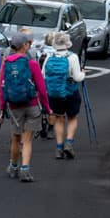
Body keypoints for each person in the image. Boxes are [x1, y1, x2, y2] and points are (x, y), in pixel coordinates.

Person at [0, 31, 51, 182]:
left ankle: (13, 166)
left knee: (15, 137)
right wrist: (47, 108)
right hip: (32, 105)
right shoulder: (31, 64)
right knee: (27, 140)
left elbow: (2, 88)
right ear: (25, 46)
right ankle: (25, 170)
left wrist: (2, 108)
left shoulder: (6, 64)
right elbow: (41, 88)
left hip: (14, 107)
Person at [41, 31, 85, 159]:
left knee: (59, 119)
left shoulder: (49, 57)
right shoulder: (73, 57)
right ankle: (69, 143)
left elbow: (43, 75)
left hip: (54, 94)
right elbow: (77, 77)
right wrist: (83, 74)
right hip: (71, 92)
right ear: (67, 43)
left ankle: (59, 148)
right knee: (72, 118)